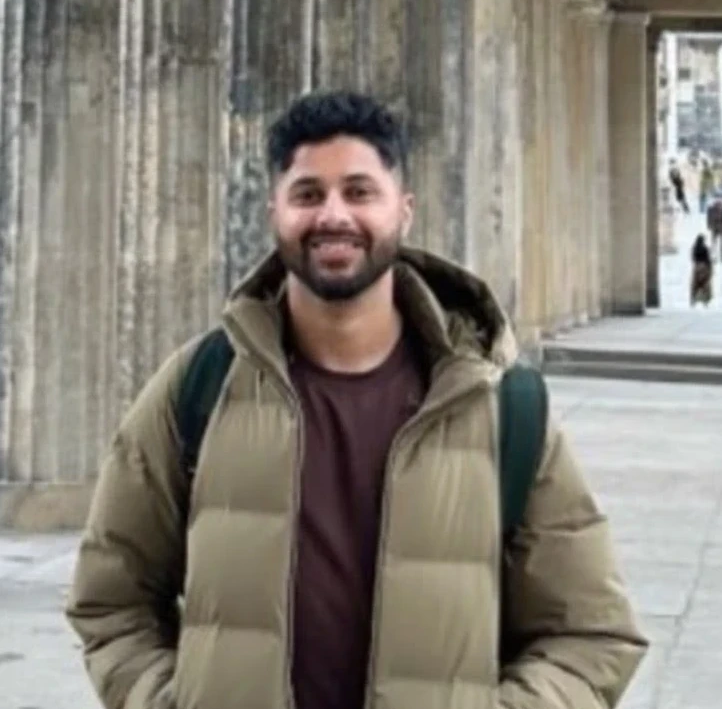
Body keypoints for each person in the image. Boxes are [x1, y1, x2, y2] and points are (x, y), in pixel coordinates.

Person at [66, 91, 647, 709]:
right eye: (307, 194)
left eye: (360, 191)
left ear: (404, 210)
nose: (333, 215)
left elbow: (590, 636)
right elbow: (111, 600)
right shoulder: (199, 385)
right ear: (274, 212)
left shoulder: (501, 408)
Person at [690, 233, 713, 306]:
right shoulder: (705, 248)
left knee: (695, 283)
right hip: (704, 267)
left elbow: (693, 258)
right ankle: (705, 300)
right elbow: (708, 258)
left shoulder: (694, 248)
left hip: (697, 266)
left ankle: (693, 299)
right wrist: (710, 267)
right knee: (705, 283)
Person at [707, 196, 722, 261]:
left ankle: (719, 256)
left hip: (719, 227)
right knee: (714, 243)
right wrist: (709, 225)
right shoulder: (711, 209)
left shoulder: (712, 209)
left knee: (718, 243)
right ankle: (713, 256)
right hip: (714, 228)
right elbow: (708, 218)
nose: (718, 200)